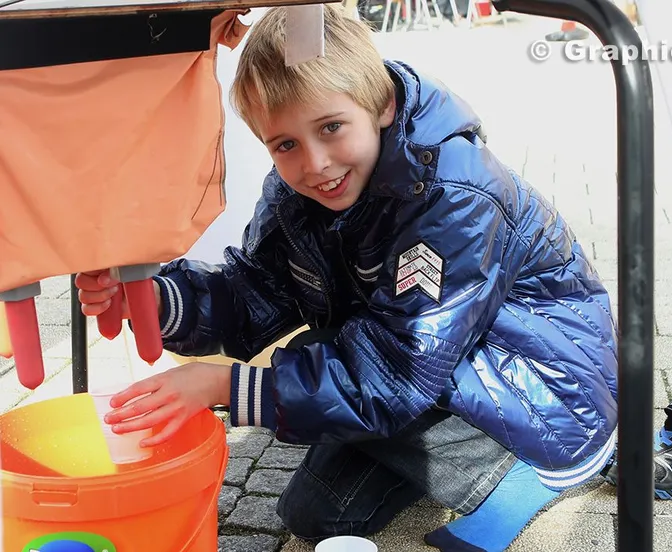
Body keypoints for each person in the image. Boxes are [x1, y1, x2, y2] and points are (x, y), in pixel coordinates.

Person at [75, 5, 618, 551]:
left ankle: (512, 474)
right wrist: (153, 299)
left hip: (544, 391)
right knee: (314, 515)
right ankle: (442, 458)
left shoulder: (453, 196)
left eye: (331, 128)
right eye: (284, 144)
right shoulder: (297, 191)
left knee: (329, 357)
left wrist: (225, 386)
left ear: (381, 105)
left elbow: (400, 370)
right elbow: (257, 290)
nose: (315, 164)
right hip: (416, 361)